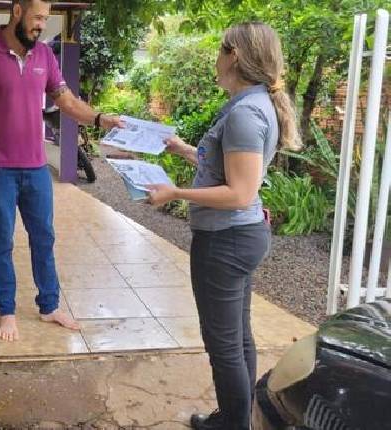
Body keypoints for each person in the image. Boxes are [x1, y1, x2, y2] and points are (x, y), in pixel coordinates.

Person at [146, 22, 301, 430]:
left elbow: (239, 193)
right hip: (236, 237)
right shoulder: (248, 104)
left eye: (220, 50)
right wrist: (183, 150)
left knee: (225, 345)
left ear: (235, 56)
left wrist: (175, 193)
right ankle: (236, 417)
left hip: (226, 241)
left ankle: (233, 424)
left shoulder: (246, 113)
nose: (215, 59)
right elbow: (229, 172)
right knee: (238, 339)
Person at [0, 0, 123, 342]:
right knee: (1, 241)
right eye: (37, 18)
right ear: (17, 12)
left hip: (35, 170)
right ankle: (7, 310)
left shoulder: (45, 56)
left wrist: (99, 118)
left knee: (43, 238)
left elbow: (67, 101)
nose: (41, 26)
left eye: (46, 20)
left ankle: (49, 306)